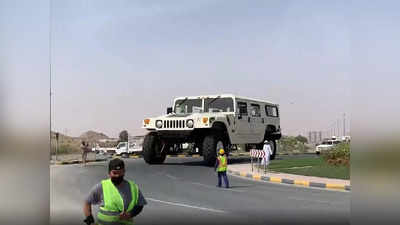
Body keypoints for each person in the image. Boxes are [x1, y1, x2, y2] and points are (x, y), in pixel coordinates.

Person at [83, 158, 147, 225]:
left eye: (120, 172)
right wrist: (89, 216)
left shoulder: (133, 187)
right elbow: (87, 201)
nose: (117, 175)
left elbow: (140, 205)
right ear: (109, 173)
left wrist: (130, 214)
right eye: (114, 173)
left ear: (124, 172)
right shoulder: (101, 186)